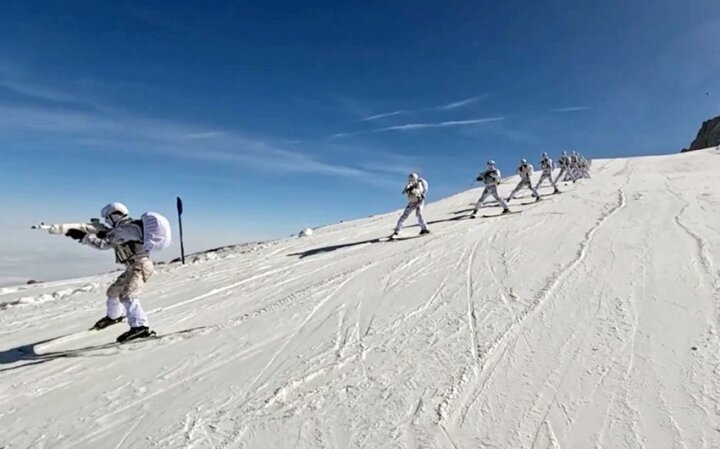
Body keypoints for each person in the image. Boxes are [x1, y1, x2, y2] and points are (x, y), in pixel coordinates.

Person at [65, 202, 156, 343]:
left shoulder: (129, 228)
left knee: (128, 295)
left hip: (140, 265)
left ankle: (140, 327)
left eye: (107, 218)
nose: (106, 221)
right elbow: (106, 240)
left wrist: (89, 235)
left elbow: (108, 241)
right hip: (132, 267)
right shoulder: (121, 229)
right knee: (113, 292)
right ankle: (114, 316)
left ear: (115, 215)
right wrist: (88, 235)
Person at [391, 173, 430, 238]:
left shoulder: (419, 184)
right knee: (404, 216)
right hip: (412, 202)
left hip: (419, 201)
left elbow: (421, 190)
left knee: (419, 214)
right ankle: (397, 230)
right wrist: (408, 188)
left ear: (415, 179)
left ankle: (424, 229)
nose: (411, 180)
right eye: (410, 179)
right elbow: (407, 191)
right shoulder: (410, 185)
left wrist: (420, 193)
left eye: (412, 179)